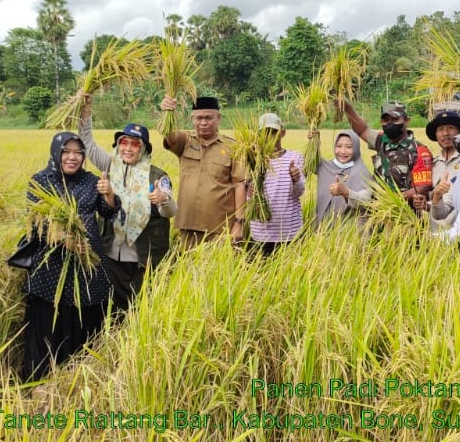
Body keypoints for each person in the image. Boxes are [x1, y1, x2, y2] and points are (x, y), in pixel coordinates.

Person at [21, 132, 119, 382]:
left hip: (88, 265)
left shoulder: (91, 181)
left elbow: (109, 212)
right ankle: (42, 383)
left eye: (78, 152)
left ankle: (80, 379)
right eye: (66, 151)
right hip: (50, 268)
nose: (72, 157)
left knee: (84, 320)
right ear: (56, 153)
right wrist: (67, 240)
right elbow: (36, 223)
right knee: (49, 323)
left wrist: (108, 194)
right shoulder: (41, 181)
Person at [78, 94, 176, 315]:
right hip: (112, 255)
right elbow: (87, 143)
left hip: (143, 260)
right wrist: (85, 111)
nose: (128, 149)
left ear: (144, 149)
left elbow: (171, 211)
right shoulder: (110, 165)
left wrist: (163, 199)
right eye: (124, 143)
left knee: (143, 310)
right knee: (113, 311)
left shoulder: (157, 176)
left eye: (135, 144)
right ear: (118, 145)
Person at [159, 95, 247, 249]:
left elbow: (240, 185)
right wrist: (168, 113)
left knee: (219, 271)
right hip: (188, 225)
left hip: (220, 227)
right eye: (199, 118)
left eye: (208, 118)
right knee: (186, 269)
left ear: (218, 118)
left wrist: (239, 223)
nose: (203, 123)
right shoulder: (185, 141)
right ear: (193, 119)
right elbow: (170, 136)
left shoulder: (232, 147)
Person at [338, 99, 432, 211]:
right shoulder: (381, 140)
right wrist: (347, 107)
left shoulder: (419, 150)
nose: (390, 124)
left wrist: (391, 200)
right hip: (378, 212)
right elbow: (362, 130)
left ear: (407, 121)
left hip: (405, 214)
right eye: (386, 120)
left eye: (395, 119)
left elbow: (422, 187)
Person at [247, 113, 305, 257]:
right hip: (260, 233)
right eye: (264, 133)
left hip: (290, 233)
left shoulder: (294, 158)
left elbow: (299, 192)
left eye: (273, 132)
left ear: (282, 133)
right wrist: (247, 188)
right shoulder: (252, 159)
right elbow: (245, 193)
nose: (269, 136)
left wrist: (295, 179)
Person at [310, 129, 374, 226]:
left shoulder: (362, 172)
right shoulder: (326, 167)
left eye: (349, 147)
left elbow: (366, 200)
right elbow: (309, 164)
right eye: (338, 146)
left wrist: (346, 192)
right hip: (322, 231)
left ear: (356, 148)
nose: (342, 151)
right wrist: (314, 142)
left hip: (349, 234)